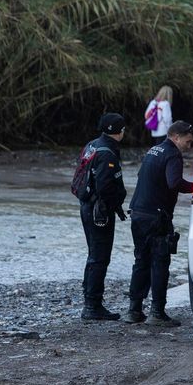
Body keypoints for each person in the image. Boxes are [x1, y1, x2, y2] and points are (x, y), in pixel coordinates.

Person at [125, 121, 193, 326]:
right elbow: (174, 182)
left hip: (138, 212)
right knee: (159, 262)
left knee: (141, 260)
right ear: (176, 137)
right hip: (157, 217)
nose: (189, 146)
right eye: (188, 141)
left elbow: (142, 176)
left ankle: (134, 310)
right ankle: (157, 312)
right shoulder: (173, 154)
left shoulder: (153, 150)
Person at [79, 113, 128, 321]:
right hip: (99, 210)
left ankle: (90, 301)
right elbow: (105, 187)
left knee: (94, 254)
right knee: (100, 257)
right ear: (120, 131)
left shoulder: (92, 145)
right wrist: (115, 204)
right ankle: (92, 305)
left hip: (87, 206)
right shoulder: (108, 153)